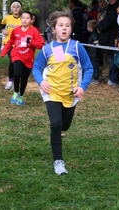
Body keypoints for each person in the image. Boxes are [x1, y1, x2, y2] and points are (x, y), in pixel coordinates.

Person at [32, 10, 93, 176]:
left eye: (67, 25)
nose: (64, 28)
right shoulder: (47, 49)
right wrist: (41, 81)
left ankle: (59, 134)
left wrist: (83, 87)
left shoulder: (77, 46)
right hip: (51, 92)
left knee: (64, 125)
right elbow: (37, 68)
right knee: (56, 124)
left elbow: (88, 68)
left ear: (71, 28)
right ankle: (58, 161)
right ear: (54, 28)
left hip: (70, 94)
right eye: (61, 25)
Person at [1, 11, 44, 106]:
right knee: (17, 73)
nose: (25, 20)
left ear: (31, 20)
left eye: (27, 18)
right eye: (23, 18)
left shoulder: (34, 31)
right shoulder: (16, 31)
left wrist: (31, 42)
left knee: (24, 78)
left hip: (28, 58)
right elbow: (10, 41)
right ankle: (16, 92)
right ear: (21, 19)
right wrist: (4, 51)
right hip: (17, 55)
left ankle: (21, 96)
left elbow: (41, 44)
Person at [97, 0, 119, 86]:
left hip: (113, 37)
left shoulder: (116, 9)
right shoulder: (109, 9)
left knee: (113, 59)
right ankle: (110, 78)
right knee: (108, 58)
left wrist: (102, 23)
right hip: (107, 37)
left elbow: (110, 22)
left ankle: (113, 79)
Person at [1, 0, 22, 90]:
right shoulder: (7, 17)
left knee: (17, 62)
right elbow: (2, 25)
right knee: (13, 60)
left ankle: (15, 81)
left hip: (20, 44)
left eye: (17, 7)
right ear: (11, 9)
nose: (16, 8)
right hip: (9, 43)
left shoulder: (23, 18)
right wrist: (3, 30)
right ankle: (10, 81)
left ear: (20, 9)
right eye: (14, 7)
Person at [86, 20, 100, 84]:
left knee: (95, 66)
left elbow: (96, 44)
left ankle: (95, 78)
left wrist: (93, 49)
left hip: (94, 54)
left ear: (91, 27)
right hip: (92, 53)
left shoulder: (94, 35)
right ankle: (93, 77)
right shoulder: (91, 34)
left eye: (88, 26)